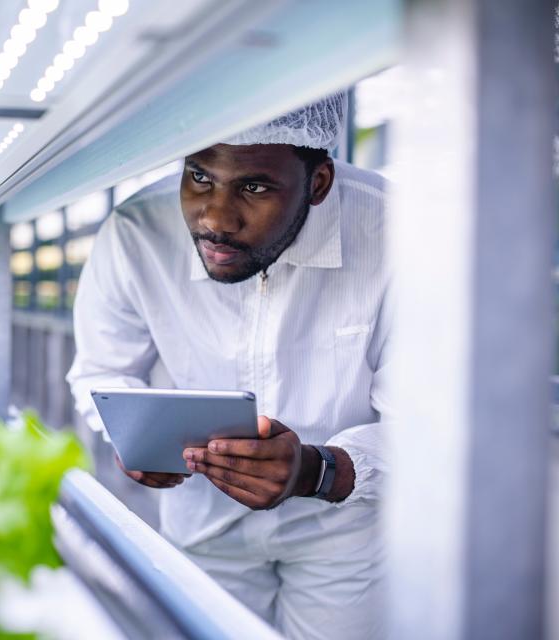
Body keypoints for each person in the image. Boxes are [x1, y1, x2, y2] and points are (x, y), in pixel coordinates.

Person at [66, 93, 389, 640]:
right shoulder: (137, 232)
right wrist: (135, 436)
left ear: (318, 183)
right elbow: (99, 370)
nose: (214, 217)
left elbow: (433, 419)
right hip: (202, 524)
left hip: (346, 535)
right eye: (198, 175)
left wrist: (318, 469)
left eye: (255, 187)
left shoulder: (399, 232)